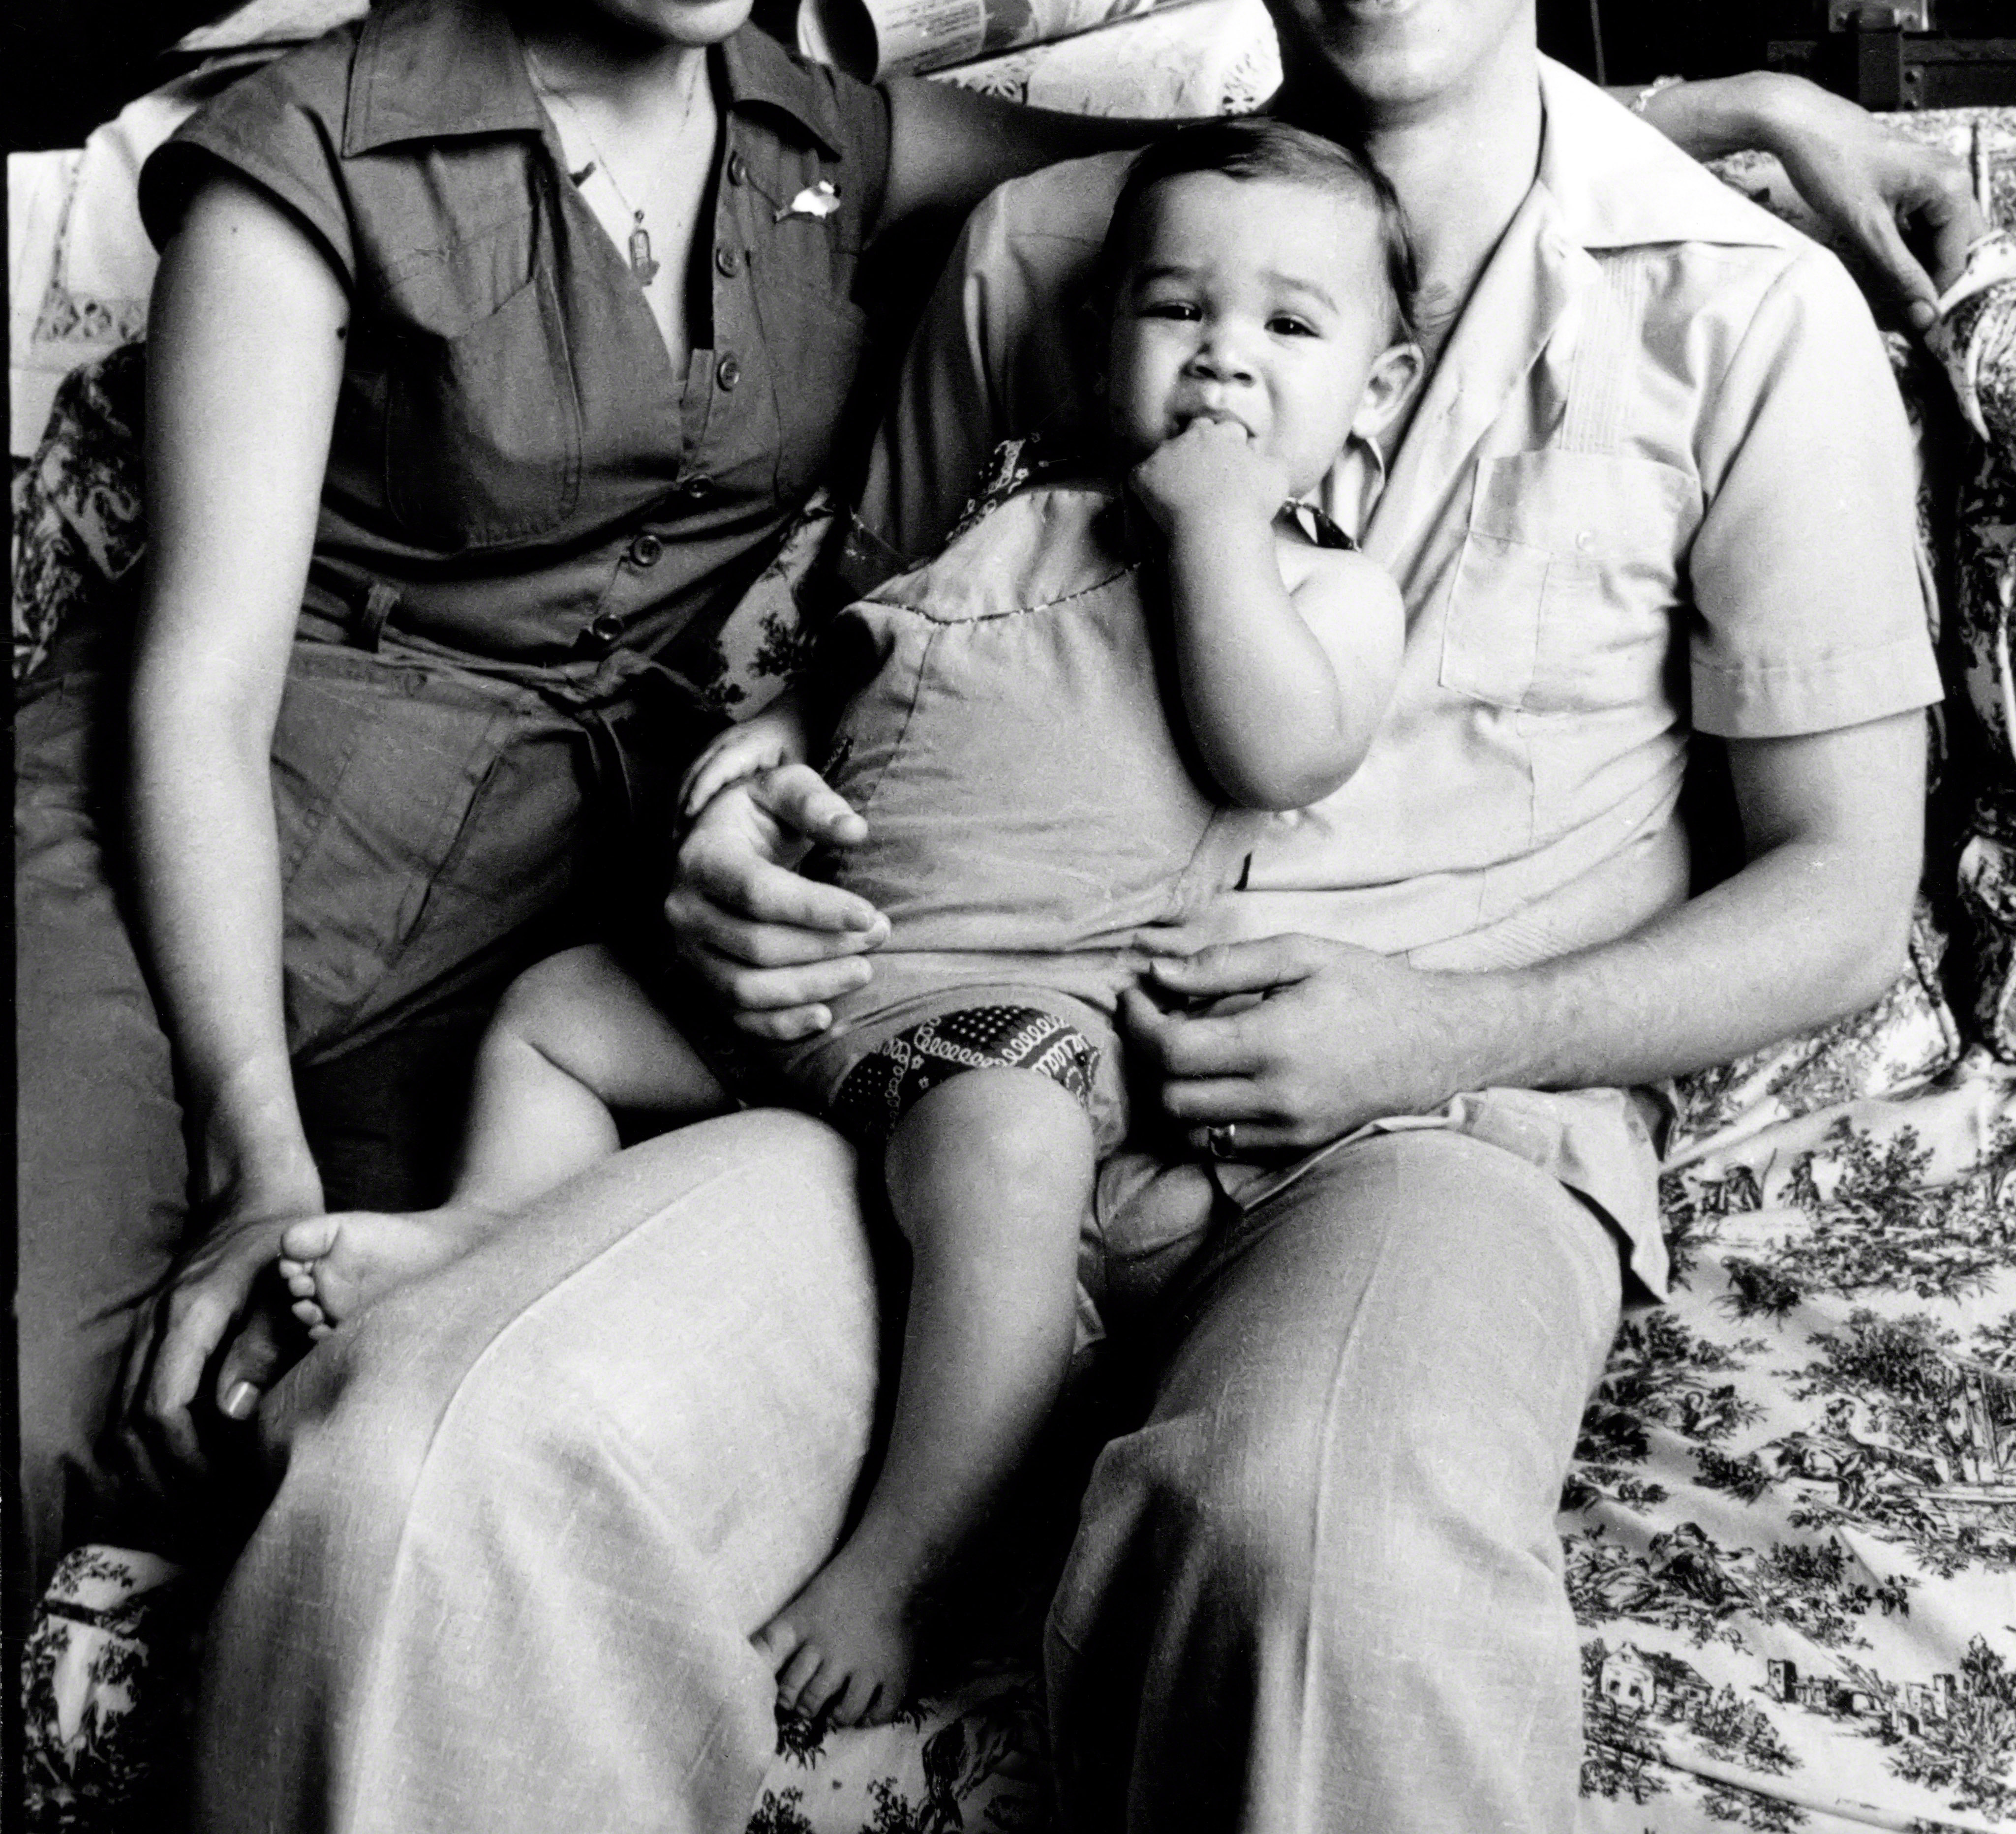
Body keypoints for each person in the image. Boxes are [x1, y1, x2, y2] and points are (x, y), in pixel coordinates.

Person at [183, 0, 1960, 1834]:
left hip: (1422, 1120)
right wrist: (735, 816)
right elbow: (825, 652)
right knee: (433, 1454)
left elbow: (1840, 896)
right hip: (923, 1058)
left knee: (1308, 1557)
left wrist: (1439, 1025)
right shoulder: (1047, 266)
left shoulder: (1740, 314)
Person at [12, 0, 1189, 1618]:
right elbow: (195, 696)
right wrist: (248, 1151)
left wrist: (1701, 114)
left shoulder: (813, 122)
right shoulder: (308, 163)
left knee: (346, 1425)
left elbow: (1219, 166)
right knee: (33, 1410)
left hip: (548, 910)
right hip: (200, 867)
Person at [270, 118, 1421, 1726]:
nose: (1224, 360)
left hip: (1001, 1016)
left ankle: (915, 1553)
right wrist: (759, 764)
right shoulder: (1006, 501)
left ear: (1374, 392)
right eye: (1178, 311)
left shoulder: (1317, 585)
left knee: (1010, 1170)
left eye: (1291, 329)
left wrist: (1219, 520)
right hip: (805, 974)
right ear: (1103, 346)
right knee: (554, 1010)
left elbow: (1279, 745)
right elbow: (856, 669)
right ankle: (490, 1223)